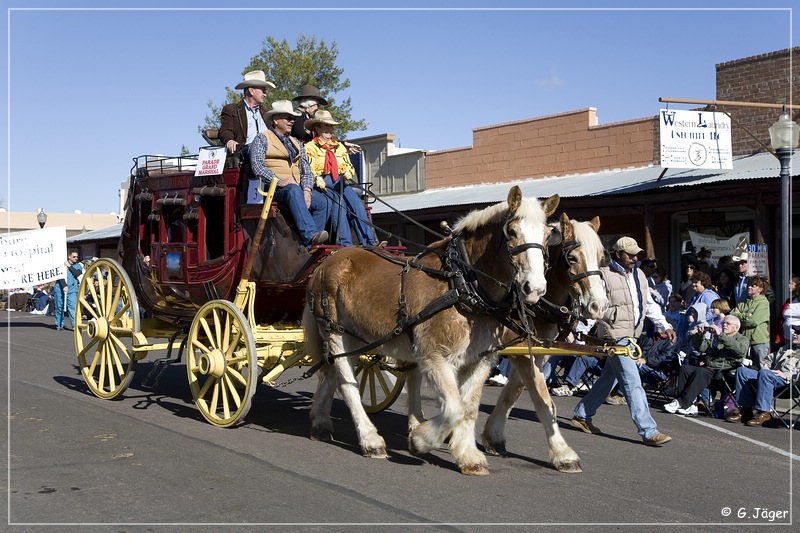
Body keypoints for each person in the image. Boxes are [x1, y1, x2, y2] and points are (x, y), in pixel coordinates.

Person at [571, 236, 676, 447]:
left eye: (636, 254)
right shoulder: (603, 274)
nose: (634, 258)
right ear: (618, 254)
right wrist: (578, 331)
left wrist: (665, 325)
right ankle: (648, 431)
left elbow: (648, 304)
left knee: (609, 378)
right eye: (630, 254)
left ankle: (582, 414)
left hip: (632, 334)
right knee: (632, 381)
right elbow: (593, 304)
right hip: (615, 334)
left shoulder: (639, 274)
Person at [249, 100, 329, 247]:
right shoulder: (262, 139)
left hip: (296, 187)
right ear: (275, 120)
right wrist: (279, 181)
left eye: (293, 118)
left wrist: (307, 189)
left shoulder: (296, 142)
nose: (292, 121)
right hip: (272, 188)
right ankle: (310, 235)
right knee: (292, 190)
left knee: (322, 202)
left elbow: (306, 169)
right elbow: (258, 168)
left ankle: (313, 246)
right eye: (287, 117)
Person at [304, 110, 378, 246]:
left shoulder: (339, 148)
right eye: (326, 125)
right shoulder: (310, 147)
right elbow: (308, 169)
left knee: (356, 204)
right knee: (339, 203)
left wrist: (349, 171)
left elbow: (348, 165)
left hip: (340, 181)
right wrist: (317, 179)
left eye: (331, 126)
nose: (330, 129)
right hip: (321, 183)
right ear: (317, 127)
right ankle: (345, 243)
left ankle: (369, 243)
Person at [663, 315, 748, 416]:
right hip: (709, 369)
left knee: (702, 371)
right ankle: (689, 405)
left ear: (736, 328)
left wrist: (721, 335)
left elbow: (740, 350)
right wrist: (699, 336)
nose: (724, 325)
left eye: (728, 324)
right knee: (685, 368)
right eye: (723, 323)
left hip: (724, 372)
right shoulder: (716, 337)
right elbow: (702, 348)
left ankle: (682, 402)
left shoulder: (742, 339)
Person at [726, 324, 800, 426]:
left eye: (798, 333)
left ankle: (764, 413)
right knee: (742, 371)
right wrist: (768, 370)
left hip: (789, 384)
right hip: (770, 377)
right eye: (795, 332)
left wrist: (786, 375)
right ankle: (746, 410)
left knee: (765, 374)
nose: (794, 334)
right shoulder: (786, 348)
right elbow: (767, 360)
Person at [219, 70, 276, 158]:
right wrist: (229, 140)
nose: (265, 94)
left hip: (270, 152)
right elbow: (225, 130)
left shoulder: (265, 112)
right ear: (251, 91)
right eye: (263, 90)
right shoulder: (232, 110)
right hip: (247, 154)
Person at [730, 276, 771, 369]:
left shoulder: (763, 302)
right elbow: (732, 315)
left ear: (760, 289)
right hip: (744, 340)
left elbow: (754, 321)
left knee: (761, 367)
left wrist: (740, 316)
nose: (749, 287)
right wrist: (747, 315)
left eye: (753, 286)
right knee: (744, 366)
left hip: (758, 341)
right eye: (749, 285)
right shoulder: (744, 302)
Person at [775, 276, 800, 348]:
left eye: (791, 283)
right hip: (787, 337)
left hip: (798, 338)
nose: (789, 285)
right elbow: (781, 317)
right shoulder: (790, 301)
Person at [65, 251, 83, 330]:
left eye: (76, 257)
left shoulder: (78, 265)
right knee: (59, 308)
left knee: (73, 307)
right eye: (74, 257)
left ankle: (75, 325)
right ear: (69, 257)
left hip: (72, 289)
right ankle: (59, 325)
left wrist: (69, 266)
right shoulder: (62, 265)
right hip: (62, 288)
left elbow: (77, 274)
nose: (76, 258)